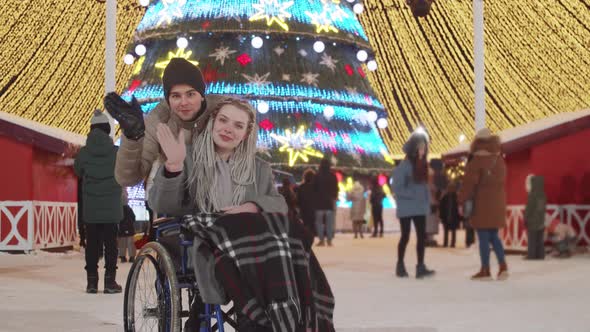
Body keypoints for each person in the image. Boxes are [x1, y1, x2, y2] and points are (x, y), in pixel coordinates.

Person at [148, 97, 288, 331]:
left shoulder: (259, 169)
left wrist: (252, 206)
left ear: (246, 134)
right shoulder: (187, 157)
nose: (228, 129)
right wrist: (173, 167)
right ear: (212, 121)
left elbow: (279, 204)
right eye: (223, 120)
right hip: (196, 241)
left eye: (238, 125)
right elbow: (163, 204)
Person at [104, 57, 225, 188]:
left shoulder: (226, 112)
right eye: (176, 96)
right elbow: (127, 179)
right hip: (176, 197)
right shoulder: (158, 121)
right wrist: (132, 137)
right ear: (168, 99)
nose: (184, 102)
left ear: (201, 95)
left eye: (190, 94)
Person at [74, 110, 123, 294]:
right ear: (107, 129)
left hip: (92, 208)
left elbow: (78, 171)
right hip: (111, 207)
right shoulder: (116, 152)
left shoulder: (84, 153)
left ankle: (92, 282)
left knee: (92, 245)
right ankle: (110, 282)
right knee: (111, 244)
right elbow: (124, 171)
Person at [458, 128, 508, 281]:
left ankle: (485, 269)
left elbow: (468, 184)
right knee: (495, 237)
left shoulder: (476, 160)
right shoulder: (499, 159)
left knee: (484, 238)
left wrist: (461, 200)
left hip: (482, 203)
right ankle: (502, 266)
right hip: (498, 202)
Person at [392, 133, 435, 279]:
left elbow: (424, 187)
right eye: (420, 148)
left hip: (419, 208)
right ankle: (400, 264)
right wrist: (413, 194)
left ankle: (420, 266)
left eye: (424, 148)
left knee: (422, 237)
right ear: (413, 149)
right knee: (405, 236)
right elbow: (397, 188)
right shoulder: (404, 166)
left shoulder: (422, 166)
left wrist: (428, 201)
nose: (423, 151)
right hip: (406, 208)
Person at [312, 158, 339, 246]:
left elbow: (313, 189)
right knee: (329, 223)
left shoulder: (317, 175)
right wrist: (334, 197)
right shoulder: (333, 176)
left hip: (319, 203)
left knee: (319, 223)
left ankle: (321, 240)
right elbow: (336, 189)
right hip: (329, 203)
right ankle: (329, 240)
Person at [524, 175, 547, 259]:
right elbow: (543, 208)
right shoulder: (543, 195)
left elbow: (529, 208)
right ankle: (540, 255)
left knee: (532, 240)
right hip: (541, 220)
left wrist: (525, 218)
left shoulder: (532, 195)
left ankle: (531, 255)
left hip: (533, 221)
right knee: (539, 240)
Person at [118, 190, 137, 263]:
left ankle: (122, 256)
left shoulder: (118, 210)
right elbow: (134, 218)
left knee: (122, 243)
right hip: (130, 229)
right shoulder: (129, 209)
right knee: (130, 243)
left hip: (121, 230)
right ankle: (132, 257)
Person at [296, 168, 317, 237]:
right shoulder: (316, 187)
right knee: (312, 224)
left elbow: (298, 200)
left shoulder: (301, 187)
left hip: (304, 209)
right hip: (314, 209)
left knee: (305, 223)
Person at [439, 182, 460, 248]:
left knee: (453, 230)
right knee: (446, 230)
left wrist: (459, 216)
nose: (451, 189)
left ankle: (453, 243)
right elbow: (441, 207)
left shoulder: (456, 197)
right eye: (450, 188)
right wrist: (441, 215)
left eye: (452, 188)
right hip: (446, 216)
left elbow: (458, 207)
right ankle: (445, 243)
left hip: (454, 216)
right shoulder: (445, 197)